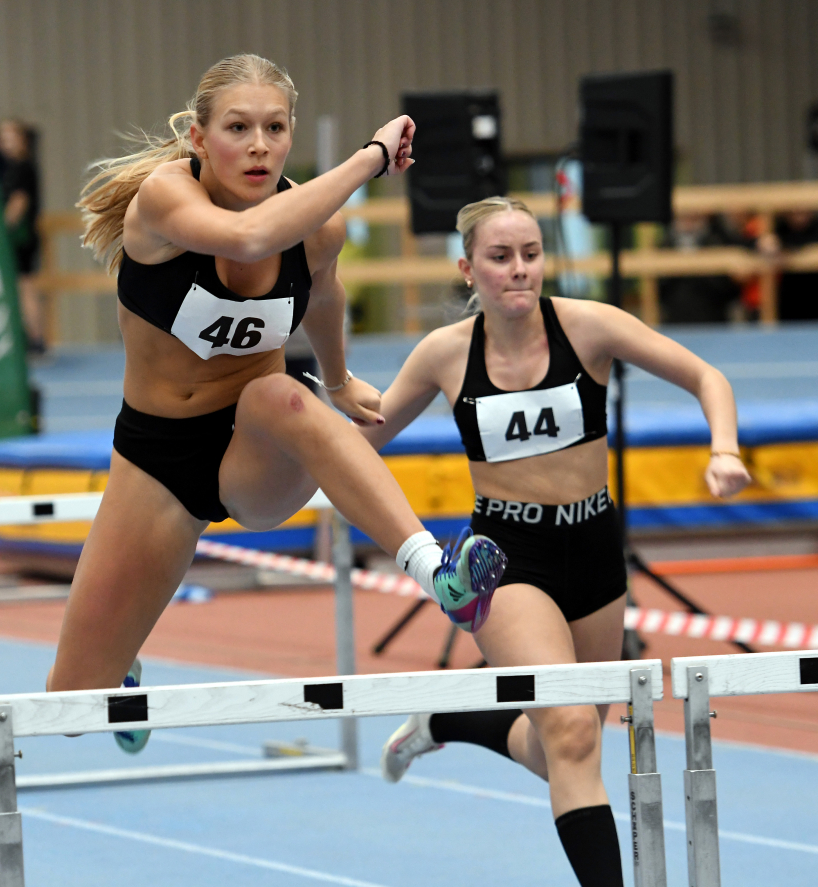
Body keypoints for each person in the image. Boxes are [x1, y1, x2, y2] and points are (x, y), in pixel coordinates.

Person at [47, 55, 507, 752]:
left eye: (274, 127)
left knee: (279, 392)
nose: (259, 145)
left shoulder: (319, 230)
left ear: (291, 137)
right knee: (68, 709)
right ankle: (121, 666)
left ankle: (434, 569)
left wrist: (342, 376)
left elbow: (324, 296)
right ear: (200, 139)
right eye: (238, 127)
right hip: (159, 458)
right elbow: (248, 236)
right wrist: (373, 157)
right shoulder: (164, 201)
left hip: (254, 447)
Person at [361, 196, 752, 887]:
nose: (519, 271)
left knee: (557, 748)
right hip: (507, 560)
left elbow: (706, 375)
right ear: (467, 268)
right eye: (501, 257)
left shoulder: (588, 326)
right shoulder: (446, 355)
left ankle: (451, 717)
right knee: (570, 734)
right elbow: (360, 446)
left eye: (531, 255)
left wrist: (724, 449)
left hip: (595, 549)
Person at [0, 119, 46, 354]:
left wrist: (1, 231)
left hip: (20, 240)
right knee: (21, 287)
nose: (4, 143)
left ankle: (35, 340)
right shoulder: (12, 168)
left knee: (25, 286)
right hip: (18, 239)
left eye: (9, 137)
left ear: (22, 139)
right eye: (1, 138)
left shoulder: (22, 169)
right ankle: (30, 337)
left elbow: (19, 203)